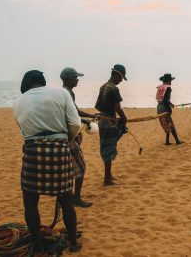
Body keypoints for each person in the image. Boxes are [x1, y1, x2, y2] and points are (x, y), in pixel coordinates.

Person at [13, 70, 81, 253]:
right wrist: (67, 140)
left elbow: (24, 132)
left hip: (32, 151)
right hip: (59, 149)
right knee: (66, 199)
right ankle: (74, 243)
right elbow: (75, 124)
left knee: (30, 201)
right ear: (42, 82)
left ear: (26, 85)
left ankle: (38, 246)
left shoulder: (18, 102)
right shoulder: (61, 93)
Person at [60, 67, 96, 208]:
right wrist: (87, 120)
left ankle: (69, 196)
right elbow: (73, 115)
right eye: (75, 77)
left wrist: (89, 116)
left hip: (64, 134)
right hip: (69, 136)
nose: (77, 79)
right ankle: (76, 198)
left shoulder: (63, 92)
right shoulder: (68, 93)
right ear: (68, 79)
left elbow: (74, 111)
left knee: (68, 168)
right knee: (80, 167)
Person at [95, 64, 128, 186]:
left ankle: (109, 176)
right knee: (108, 148)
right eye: (120, 78)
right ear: (116, 75)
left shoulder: (103, 86)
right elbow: (118, 108)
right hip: (107, 121)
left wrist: (108, 115)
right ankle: (107, 180)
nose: (120, 81)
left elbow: (97, 106)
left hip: (102, 120)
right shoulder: (114, 88)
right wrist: (124, 119)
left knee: (107, 146)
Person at [156, 73, 184, 145]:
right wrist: (169, 109)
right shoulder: (168, 88)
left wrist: (170, 104)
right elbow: (165, 100)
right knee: (170, 124)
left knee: (166, 124)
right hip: (164, 108)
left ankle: (167, 141)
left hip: (159, 107)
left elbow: (161, 99)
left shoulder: (160, 87)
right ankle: (177, 141)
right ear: (169, 81)